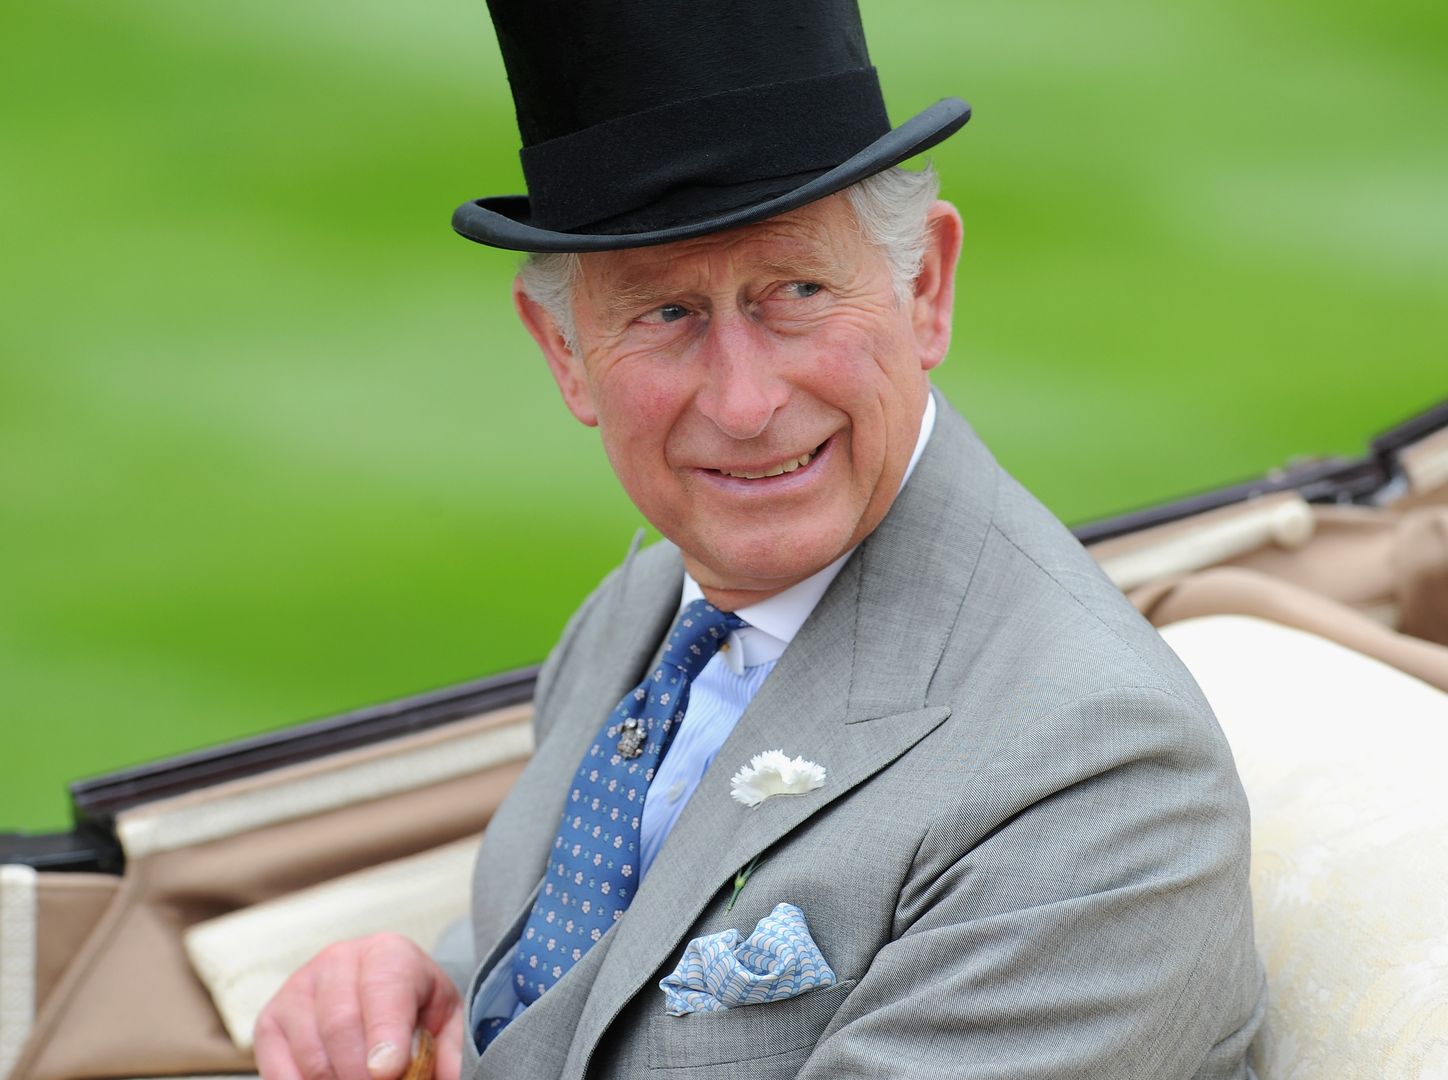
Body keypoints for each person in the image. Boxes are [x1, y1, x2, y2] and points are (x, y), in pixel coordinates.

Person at [254, 2, 1265, 1077]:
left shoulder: (1097, 778)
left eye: (796, 291)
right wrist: (431, 1001)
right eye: (665, 314)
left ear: (925, 286)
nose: (743, 403)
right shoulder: (642, 613)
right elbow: (591, 976)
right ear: (563, 351)